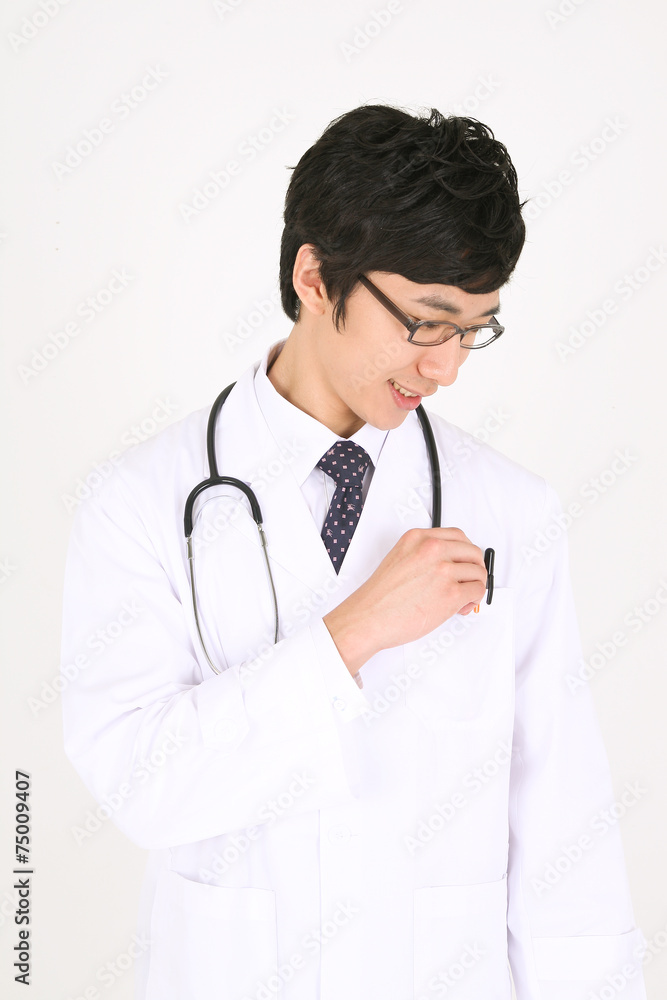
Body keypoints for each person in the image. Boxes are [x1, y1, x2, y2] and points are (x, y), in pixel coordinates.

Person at [60, 104, 647, 1000]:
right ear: (314, 276)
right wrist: (350, 636)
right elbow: (140, 783)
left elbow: (560, 820)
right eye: (426, 321)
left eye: (474, 329)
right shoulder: (138, 502)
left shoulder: (510, 511)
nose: (447, 367)